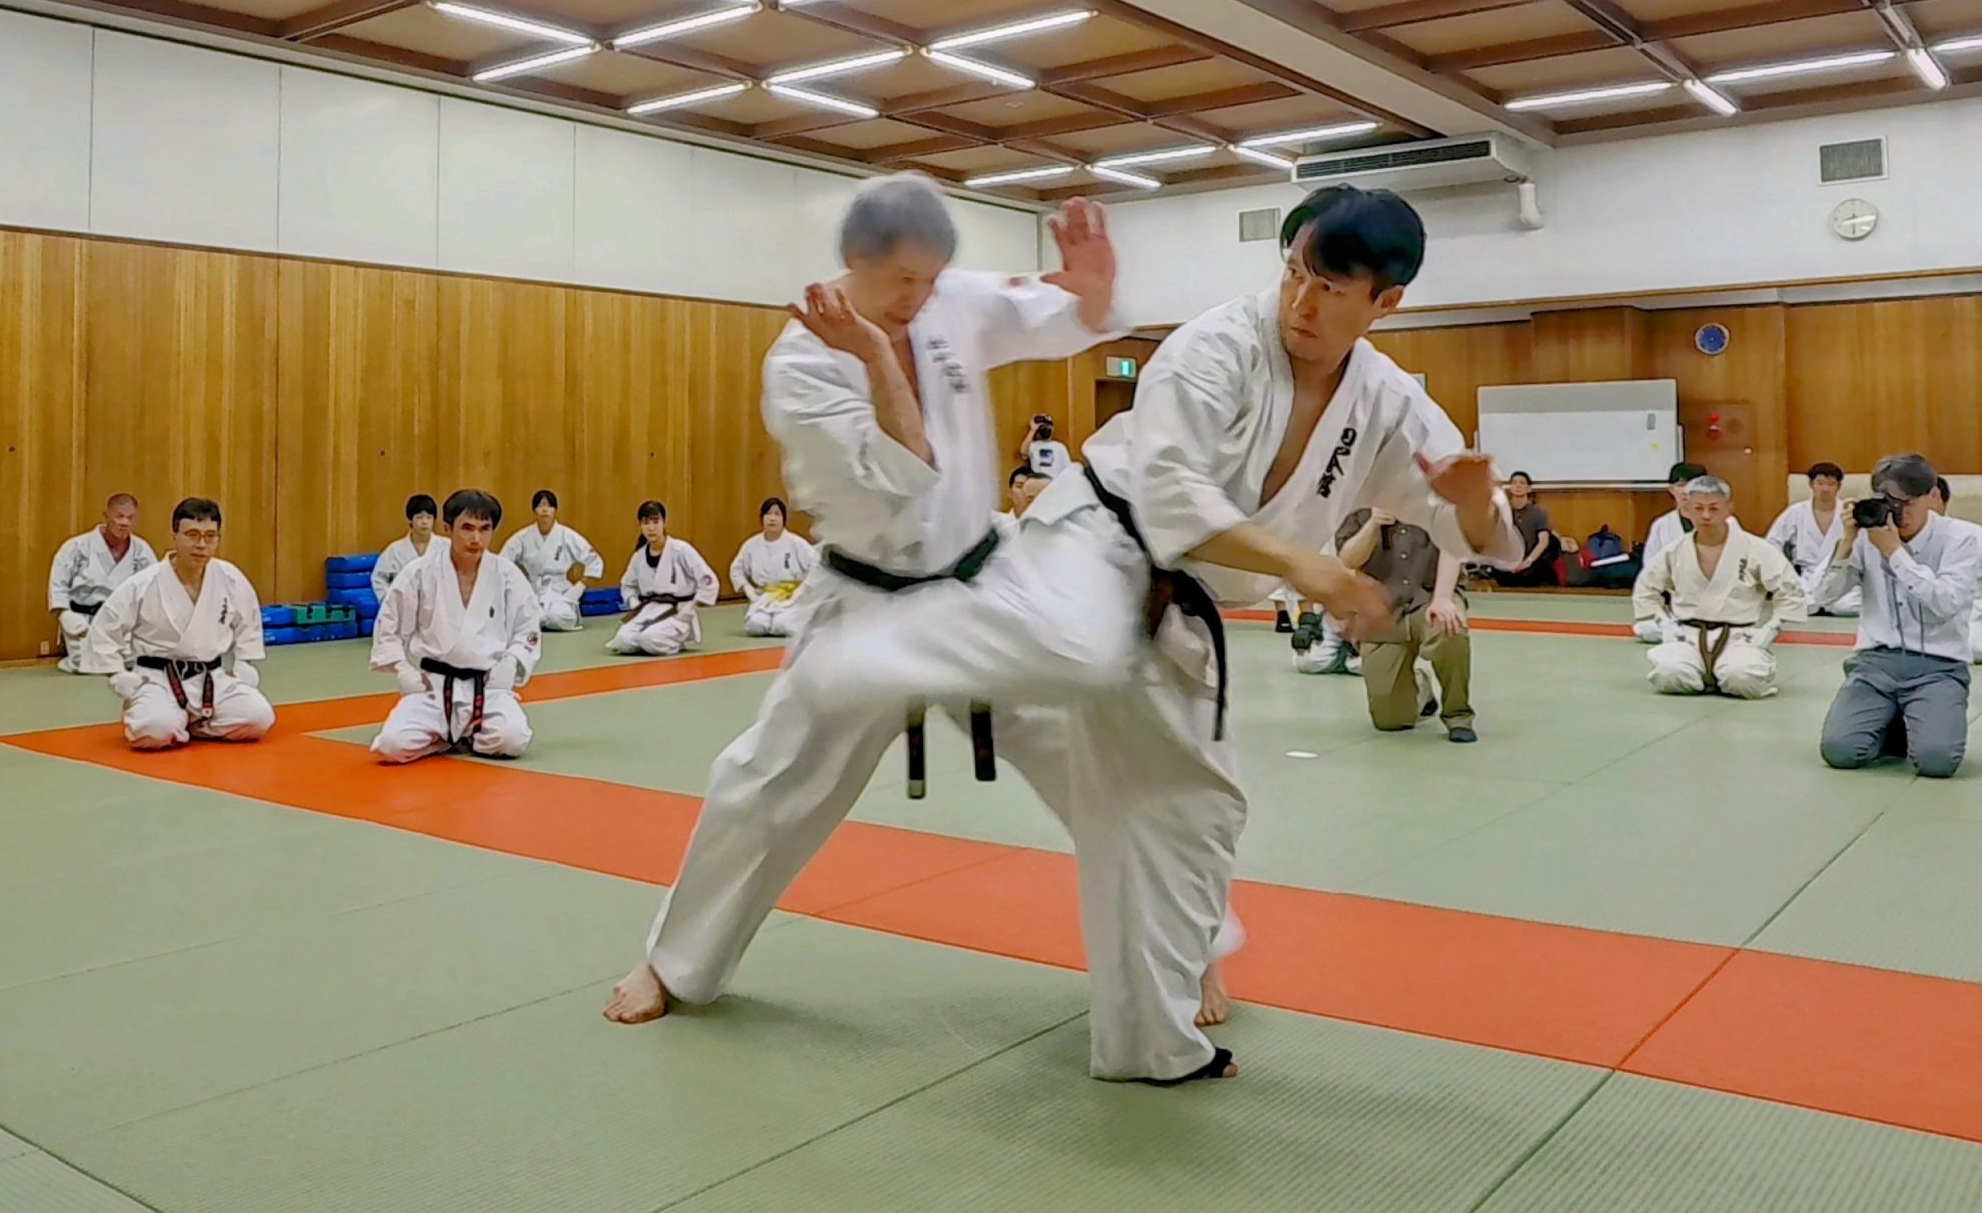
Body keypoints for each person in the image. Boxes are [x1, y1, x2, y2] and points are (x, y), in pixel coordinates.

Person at [693, 184, 1520, 1083]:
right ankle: (883, 656)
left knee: (1192, 813)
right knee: (1084, 648)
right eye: (1293, 273)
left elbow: (1475, 524)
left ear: (1385, 301)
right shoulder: (1213, 346)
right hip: (1097, 543)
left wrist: (1475, 506)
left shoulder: (1388, 401)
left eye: (1329, 288)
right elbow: (1170, 500)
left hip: (1167, 596)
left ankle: (1148, 1044)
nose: (1301, 302)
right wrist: (1312, 570)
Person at [604, 174, 1130, 1057]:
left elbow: (1068, 317)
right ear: (853, 261)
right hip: (867, 605)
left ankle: (1181, 952)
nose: (920, 298)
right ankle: (673, 960)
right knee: (764, 782)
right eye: (901, 281)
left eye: (931, 279)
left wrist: (1093, 285)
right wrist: (879, 357)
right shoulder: (801, 363)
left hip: (983, 587)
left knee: (1100, 761)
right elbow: (907, 464)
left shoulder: (947, 297)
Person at [1815, 454, 1982, 778]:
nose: (1900, 513)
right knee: (1840, 751)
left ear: (1931, 496)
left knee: (1937, 762)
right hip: (1876, 663)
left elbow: (1946, 602)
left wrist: (1894, 552)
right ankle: (1893, 723)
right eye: (1891, 503)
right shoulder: (1865, 532)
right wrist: (1847, 541)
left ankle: (1923, 718)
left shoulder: (1962, 537)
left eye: (1908, 503)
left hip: (1938, 666)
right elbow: (1822, 597)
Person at [370, 488, 542, 762]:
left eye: (484, 529)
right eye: (467, 528)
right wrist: (402, 668)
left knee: (512, 739)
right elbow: (389, 625)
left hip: (487, 686)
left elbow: (527, 627)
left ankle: (462, 734)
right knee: (392, 746)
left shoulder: (507, 575)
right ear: (448, 529)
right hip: (432, 687)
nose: (476, 539)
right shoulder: (419, 573)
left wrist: (511, 661)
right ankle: (446, 736)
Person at [87, 498, 273, 750]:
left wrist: (244, 661)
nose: (201, 545)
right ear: (174, 536)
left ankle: (193, 724)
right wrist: (117, 674)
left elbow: (248, 622)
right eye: (192, 535)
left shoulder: (229, 577)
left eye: (210, 536)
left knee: (258, 718)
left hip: (211, 678)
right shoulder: (144, 583)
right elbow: (104, 629)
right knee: (154, 731)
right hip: (158, 678)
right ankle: (166, 717)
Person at [1633, 475, 1807, 699]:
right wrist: (1663, 622)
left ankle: (1731, 670)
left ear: (1729, 508)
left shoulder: (1755, 548)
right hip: (1687, 635)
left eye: (1714, 508)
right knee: (1670, 674)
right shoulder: (1674, 551)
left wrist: (1772, 627)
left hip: (1739, 636)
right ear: (1686, 509)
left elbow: (1790, 590)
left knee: (1742, 679)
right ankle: (1701, 672)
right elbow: (1646, 589)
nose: (1706, 515)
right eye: (1698, 508)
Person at [1338, 505, 1477, 741]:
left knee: (1450, 628)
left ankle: (1458, 715)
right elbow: (1348, 560)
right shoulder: (1359, 502)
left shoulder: (1438, 498)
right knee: (1389, 721)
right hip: (1383, 607)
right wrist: (1372, 524)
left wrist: (1443, 599)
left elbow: (1452, 548)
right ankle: (1422, 691)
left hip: (1431, 595)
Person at [47, 493, 159, 674]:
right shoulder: (76, 547)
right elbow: (58, 584)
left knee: (129, 661)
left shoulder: (141, 550)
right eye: (119, 516)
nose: (124, 523)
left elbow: (153, 589)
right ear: (106, 516)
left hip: (122, 621)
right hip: (83, 620)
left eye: (130, 518)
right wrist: (64, 613)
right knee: (85, 663)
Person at [608, 501, 718, 656]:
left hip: (678, 611)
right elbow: (627, 585)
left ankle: (674, 642)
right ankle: (653, 640)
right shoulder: (639, 556)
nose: (651, 528)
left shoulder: (681, 550)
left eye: (655, 521)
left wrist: (691, 608)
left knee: (649, 639)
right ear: (640, 525)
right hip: (648, 610)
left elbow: (708, 581)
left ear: (664, 522)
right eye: (646, 522)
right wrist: (633, 603)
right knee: (622, 641)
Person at [1767, 462, 1861, 616]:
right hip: (1807, 575)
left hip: (1841, 575)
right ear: (1811, 484)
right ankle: (1822, 603)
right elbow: (1772, 542)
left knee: (1845, 606)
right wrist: (1785, 569)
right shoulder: (1796, 512)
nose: (1825, 488)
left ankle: (1828, 604)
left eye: (1831, 484)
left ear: (1839, 486)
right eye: (1820, 483)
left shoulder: (1849, 513)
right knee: (1804, 605)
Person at [501, 490, 601, 632]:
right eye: (540, 506)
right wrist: (517, 588)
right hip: (532, 591)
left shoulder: (567, 535)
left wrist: (578, 589)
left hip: (560, 592)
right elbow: (503, 563)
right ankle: (539, 618)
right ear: (534, 511)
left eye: (549, 506)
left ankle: (541, 619)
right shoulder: (522, 537)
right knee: (519, 618)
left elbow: (594, 562)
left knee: (562, 617)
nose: (544, 510)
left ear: (555, 510)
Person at [1927, 477, 1982, 664]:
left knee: (1977, 649)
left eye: (1929, 496)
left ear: (1942, 501)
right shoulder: (1895, 536)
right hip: (1916, 610)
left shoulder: (1971, 533)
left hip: (1967, 610)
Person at [1633, 461, 1708, 642]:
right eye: (1681, 485)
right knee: (1644, 629)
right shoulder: (1662, 526)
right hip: (1675, 598)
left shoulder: (1723, 523)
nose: (1687, 491)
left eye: (1694, 485)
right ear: (1671, 490)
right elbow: (1650, 569)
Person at [730, 498, 818, 638]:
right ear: (762, 518)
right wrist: (747, 589)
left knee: (782, 625)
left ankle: (797, 619)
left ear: (783, 519)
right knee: (755, 626)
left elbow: (817, 566)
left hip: (792, 597)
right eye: (768, 514)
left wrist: (803, 590)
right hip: (764, 598)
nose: (772, 518)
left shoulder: (796, 543)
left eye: (777, 514)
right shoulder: (752, 545)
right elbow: (736, 570)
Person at [1485, 472, 1561, 587]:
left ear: (1529, 488)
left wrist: (1528, 561)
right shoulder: (1502, 511)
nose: (1518, 486)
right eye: (1514, 483)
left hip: (1531, 561)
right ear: (1510, 488)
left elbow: (1543, 541)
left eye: (1522, 483)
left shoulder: (1538, 512)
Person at [371, 494, 448, 600]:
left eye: (429, 517)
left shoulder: (446, 546)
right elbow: (379, 579)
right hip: (404, 602)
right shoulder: (395, 550)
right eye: (419, 517)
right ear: (410, 520)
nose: (425, 522)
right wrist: (390, 600)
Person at [1020, 414, 1071, 480]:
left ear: (1053, 428)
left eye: (1048, 425)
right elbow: (1023, 452)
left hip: (1056, 482)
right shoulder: (1032, 445)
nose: (1045, 428)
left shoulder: (1060, 447)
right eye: (1042, 426)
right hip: (1039, 482)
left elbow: (1068, 468)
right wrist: (1033, 430)